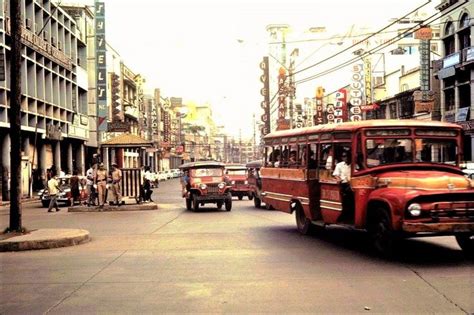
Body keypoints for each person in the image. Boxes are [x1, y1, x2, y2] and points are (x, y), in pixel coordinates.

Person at [333, 151, 354, 222]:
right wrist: (339, 179)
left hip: (353, 184)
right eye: (344, 156)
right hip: (344, 184)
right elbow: (336, 174)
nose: (346, 158)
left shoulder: (354, 164)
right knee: (347, 200)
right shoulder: (339, 165)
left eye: (347, 156)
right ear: (342, 157)